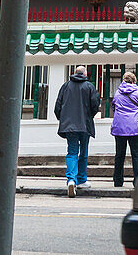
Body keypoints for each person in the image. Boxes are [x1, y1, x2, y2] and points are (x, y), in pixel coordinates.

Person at [54, 64, 101, 197]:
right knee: (83, 152)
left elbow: (58, 106)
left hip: (69, 125)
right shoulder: (89, 87)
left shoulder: (66, 86)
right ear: (85, 74)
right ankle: (81, 179)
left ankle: (71, 180)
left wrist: (62, 119)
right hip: (84, 125)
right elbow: (95, 105)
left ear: (74, 73)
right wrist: (89, 116)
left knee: (72, 152)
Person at [110, 71, 138, 187]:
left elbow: (113, 106)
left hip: (119, 128)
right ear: (134, 81)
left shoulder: (117, 93)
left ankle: (118, 181)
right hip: (135, 127)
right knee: (136, 155)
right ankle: (137, 181)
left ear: (123, 80)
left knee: (119, 155)